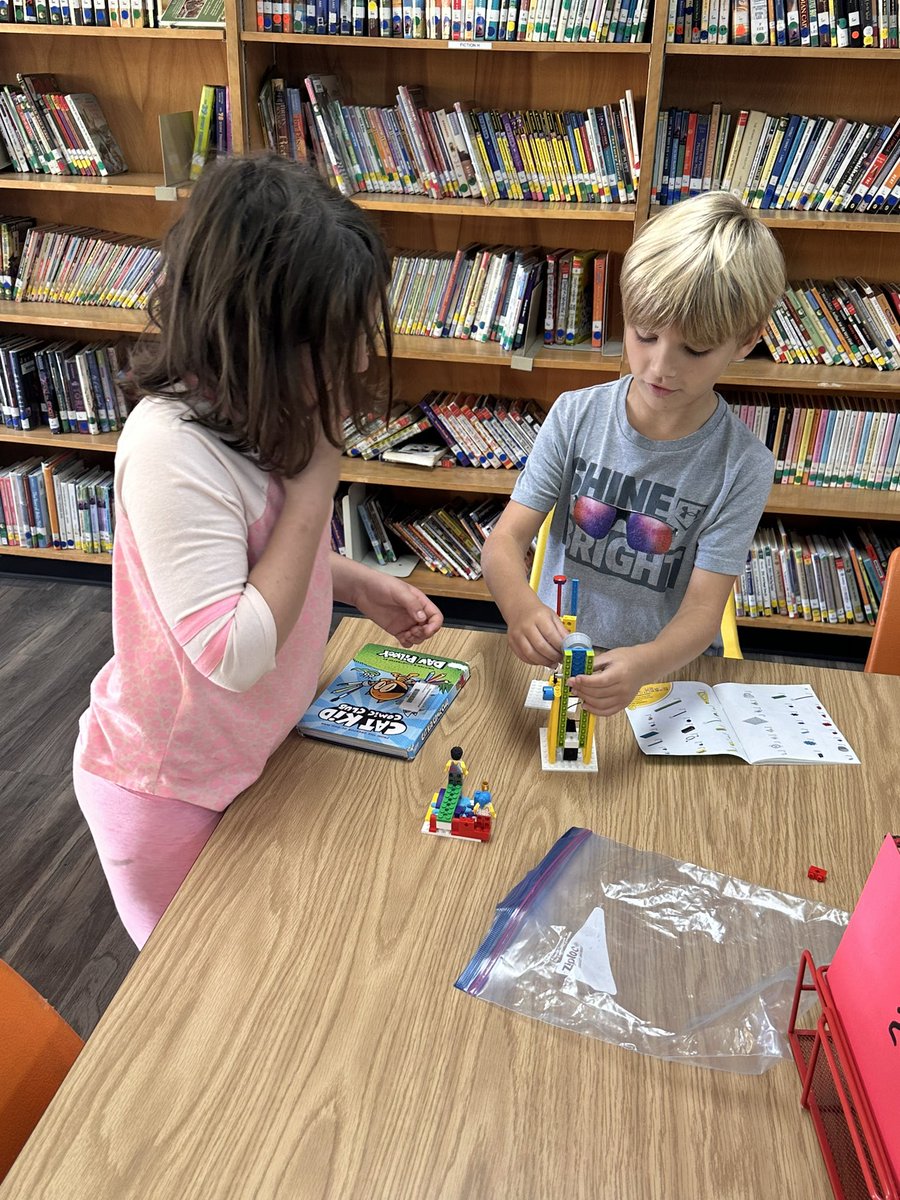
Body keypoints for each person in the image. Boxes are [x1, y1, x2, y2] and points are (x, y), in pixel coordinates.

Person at [73, 154, 443, 949]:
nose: (358, 362)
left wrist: (351, 583)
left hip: (248, 756)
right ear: (253, 334)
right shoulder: (171, 445)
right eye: (335, 340)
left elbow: (247, 563)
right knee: (202, 1000)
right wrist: (315, 491)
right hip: (167, 789)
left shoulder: (259, 404)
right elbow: (230, 650)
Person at [481, 191, 785, 718]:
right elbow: (505, 540)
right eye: (645, 335)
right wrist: (520, 608)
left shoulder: (744, 465)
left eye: (694, 349)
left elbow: (701, 613)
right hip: (568, 662)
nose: (659, 366)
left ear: (748, 339)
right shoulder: (576, 416)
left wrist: (644, 664)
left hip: (662, 677)